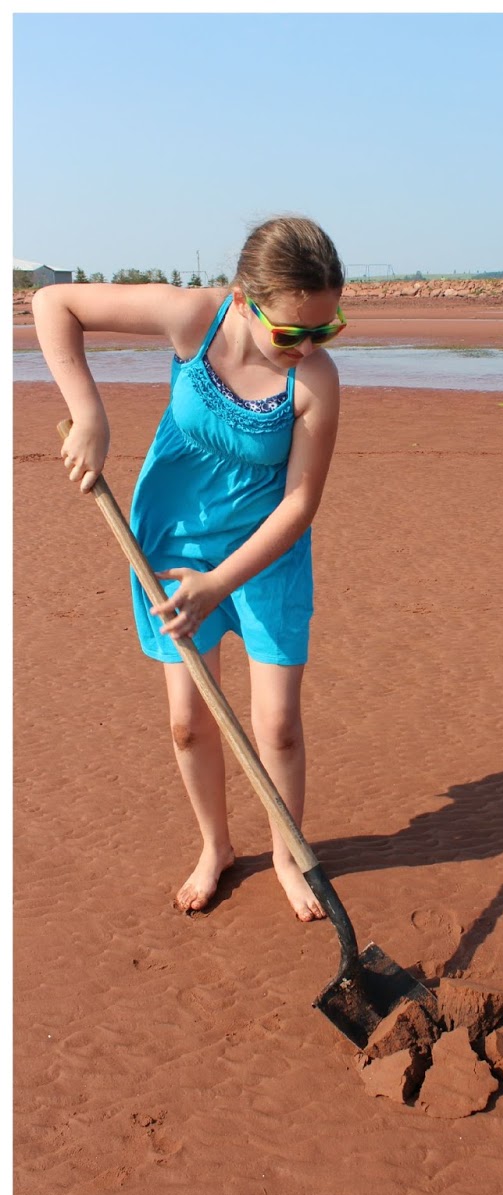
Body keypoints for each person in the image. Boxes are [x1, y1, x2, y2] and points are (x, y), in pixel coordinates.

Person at [37, 215, 345, 922]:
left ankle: (286, 851)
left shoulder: (317, 383)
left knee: (279, 726)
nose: (309, 347)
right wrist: (89, 414)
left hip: (265, 555)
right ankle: (216, 847)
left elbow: (299, 505)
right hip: (173, 546)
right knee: (186, 721)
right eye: (292, 332)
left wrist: (220, 585)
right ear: (243, 299)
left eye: (326, 331)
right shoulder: (194, 319)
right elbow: (55, 305)